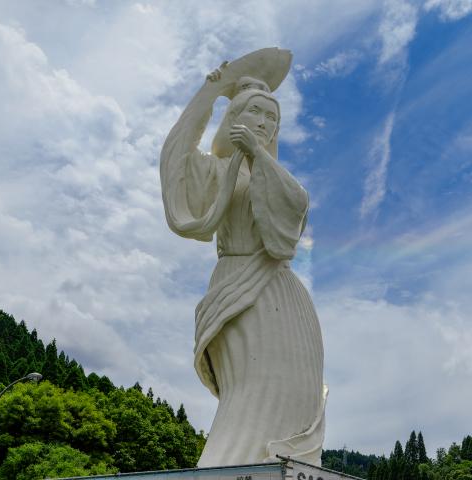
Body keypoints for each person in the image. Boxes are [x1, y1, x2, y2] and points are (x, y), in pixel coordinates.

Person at [160, 60, 326, 467]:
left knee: (296, 390)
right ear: (233, 116)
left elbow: (291, 219)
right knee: (250, 388)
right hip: (236, 285)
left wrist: (255, 154)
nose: (265, 122)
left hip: (281, 292)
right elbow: (177, 156)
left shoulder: (277, 177)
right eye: (255, 111)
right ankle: (229, 467)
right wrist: (209, 94)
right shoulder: (216, 171)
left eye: (273, 117)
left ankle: (288, 467)